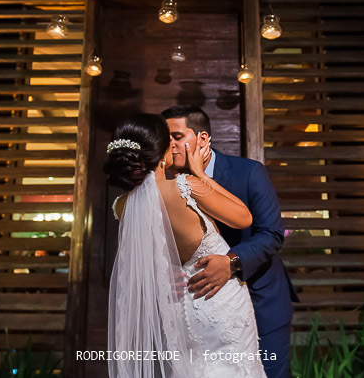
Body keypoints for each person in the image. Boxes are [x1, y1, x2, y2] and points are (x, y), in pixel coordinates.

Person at [104, 113, 267, 378]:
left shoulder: (122, 206)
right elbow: (243, 217)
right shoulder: (186, 186)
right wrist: (201, 174)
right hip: (220, 305)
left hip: (179, 311)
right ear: (161, 152)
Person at [161, 105, 298, 378]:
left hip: (261, 302)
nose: (170, 145)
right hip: (204, 311)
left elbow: (271, 233)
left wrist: (231, 262)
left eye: (177, 137)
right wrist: (166, 273)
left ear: (202, 139)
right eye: (165, 139)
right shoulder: (164, 183)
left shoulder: (248, 172)